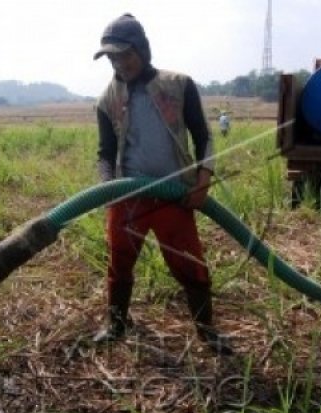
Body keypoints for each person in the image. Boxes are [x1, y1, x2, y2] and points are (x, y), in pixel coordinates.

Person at [92, 13, 233, 355]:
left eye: (125, 54)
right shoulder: (106, 100)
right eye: (112, 57)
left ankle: (206, 330)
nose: (119, 63)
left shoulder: (178, 85)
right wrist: (108, 188)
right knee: (120, 261)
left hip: (174, 197)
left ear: (142, 50)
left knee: (190, 265)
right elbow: (105, 153)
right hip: (128, 197)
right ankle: (116, 325)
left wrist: (203, 179)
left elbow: (204, 138)